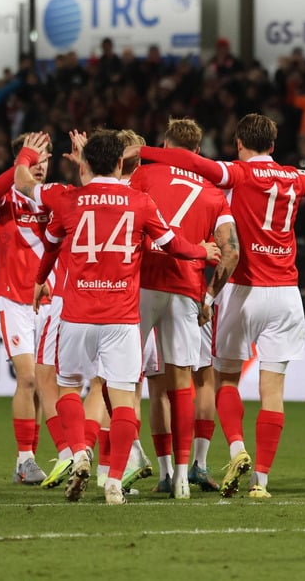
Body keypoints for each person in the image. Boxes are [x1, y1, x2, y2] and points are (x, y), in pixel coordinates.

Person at [127, 113, 305, 498]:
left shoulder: (236, 173)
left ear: (239, 143)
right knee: (272, 390)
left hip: (244, 289)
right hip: (287, 294)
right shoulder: (295, 177)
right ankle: (261, 480)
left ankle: (237, 447)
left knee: (225, 378)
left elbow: (190, 161)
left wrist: (141, 149)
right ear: (273, 146)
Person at [33, 129, 219, 504]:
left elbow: (50, 247)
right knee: (123, 399)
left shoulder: (70, 200)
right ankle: (115, 480)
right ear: (121, 163)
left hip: (77, 316)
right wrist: (201, 251)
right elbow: (172, 245)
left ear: (84, 164)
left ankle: (80, 452)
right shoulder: (140, 202)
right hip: (120, 318)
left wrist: (39, 282)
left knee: (69, 387)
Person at [129, 118, 240, 499]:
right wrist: (209, 296)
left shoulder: (144, 176)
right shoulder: (214, 192)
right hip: (188, 290)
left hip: (143, 283)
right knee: (187, 382)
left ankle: (137, 464)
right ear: (197, 152)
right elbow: (231, 251)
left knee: (133, 379)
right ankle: (183, 477)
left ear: (164, 143)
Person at [0, 132, 56, 485]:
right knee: (27, 378)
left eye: (45, 159)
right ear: (21, 161)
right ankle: (25, 458)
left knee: (44, 384)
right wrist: (22, 160)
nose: (40, 167)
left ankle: (26, 461)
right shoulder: (6, 200)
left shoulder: (49, 198)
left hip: (48, 302)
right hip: (13, 299)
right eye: (34, 160)